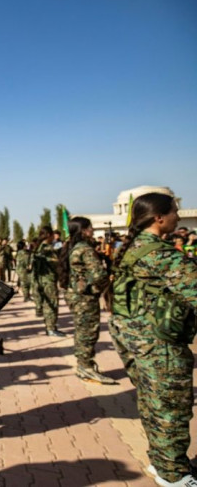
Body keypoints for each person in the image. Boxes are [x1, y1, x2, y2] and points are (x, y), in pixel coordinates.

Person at [108, 193, 197, 487]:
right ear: (159, 217)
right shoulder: (158, 253)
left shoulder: (134, 247)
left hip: (138, 341)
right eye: (175, 211)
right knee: (170, 408)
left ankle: (162, 464)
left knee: (153, 405)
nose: (178, 216)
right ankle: (174, 475)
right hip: (159, 345)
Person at [59, 217, 115, 384]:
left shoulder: (73, 247)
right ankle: (86, 367)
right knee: (88, 332)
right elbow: (99, 275)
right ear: (83, 230)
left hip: (76, 295)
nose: (93, 230)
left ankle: (84, 365)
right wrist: (101, 288)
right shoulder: (85, 249)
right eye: (90, 227)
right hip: (85, 297)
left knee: (82, 330)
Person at [30, 225, 64, 337]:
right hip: (48, 280)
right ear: (49, 235)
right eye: (53, 234)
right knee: (51, 305)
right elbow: (56, 262)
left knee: (46, 304)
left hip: (40, 281)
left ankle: (49, 327)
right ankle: (51, 329)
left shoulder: (37, 247)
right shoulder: (47, 248)